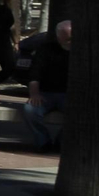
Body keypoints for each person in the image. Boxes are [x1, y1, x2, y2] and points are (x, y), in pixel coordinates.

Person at [22, 20, 71, 151]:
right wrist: (34, 93)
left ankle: (62, 141)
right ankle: (43, 141)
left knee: (79, 112)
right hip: (46, 93)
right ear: (58, 36)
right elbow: (34, 74)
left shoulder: (80, 52)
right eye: (66, 37)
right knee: (30, 110)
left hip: (68, 94)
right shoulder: (46, 50)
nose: (69, 40)